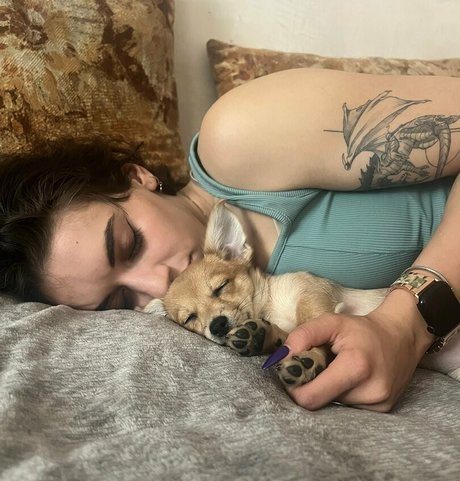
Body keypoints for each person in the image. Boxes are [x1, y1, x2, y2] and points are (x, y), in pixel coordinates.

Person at [1, 68, 460, 412]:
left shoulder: (238, 136)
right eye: (120, 300)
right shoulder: (224, 315)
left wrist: (406, 323)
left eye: (130, 244)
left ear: (138, 177)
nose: (159, 285)